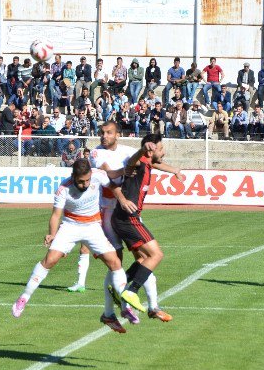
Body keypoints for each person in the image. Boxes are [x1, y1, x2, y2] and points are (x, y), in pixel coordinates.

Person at [11, 159, 131, 334]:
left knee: (114, 262)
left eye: (87, 180)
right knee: (50, 260)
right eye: (81, 181)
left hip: (93, 227)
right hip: (70, 226)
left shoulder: (97, 176)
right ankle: (24, 297)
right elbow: (55, 215)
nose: (85, 184)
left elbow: (113, 187)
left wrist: (122, 200)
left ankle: (124, 305)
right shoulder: (63, 188)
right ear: (73, 176)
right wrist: (52, 234)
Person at [90, 122, 178, 322]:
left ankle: (151, 305)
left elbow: (149, 161)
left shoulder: (128, 150)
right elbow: (110, 176)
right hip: (109, 210)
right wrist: (130, 168)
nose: (104, 136)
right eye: (102, 133)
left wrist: (174, 170)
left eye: (109, 133)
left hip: (128, 211)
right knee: (116, 263)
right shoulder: (97, 154)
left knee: (143, 259)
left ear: (118, 135)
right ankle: (116, 309)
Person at [111, 134, 184, 313]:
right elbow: (132, 161)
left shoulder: (148, 163)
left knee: (144, 259)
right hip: (129, 218)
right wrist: (142, 150)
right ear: (150, 151)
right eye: (160, 148)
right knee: (156, 255)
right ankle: (131, 291)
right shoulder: (138, 162)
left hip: (124, 218)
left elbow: (156, 163)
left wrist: (175, 170)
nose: (164, 152)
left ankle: (119, 287)